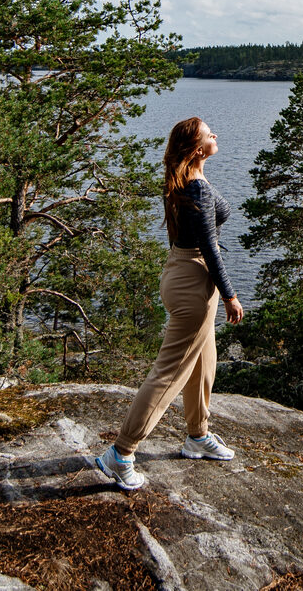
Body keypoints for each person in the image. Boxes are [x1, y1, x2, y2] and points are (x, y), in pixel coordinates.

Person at [97, 116, 244, 490]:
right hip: (194, 281)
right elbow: (210, 248)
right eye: (209, 133)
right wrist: (229, 295)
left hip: (180, 270)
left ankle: (197, 436)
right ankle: (121, 452)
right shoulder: (197, 188)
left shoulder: (186, 180)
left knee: (204, 361)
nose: (215, 134)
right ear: (198, 149)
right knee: (170, 374)